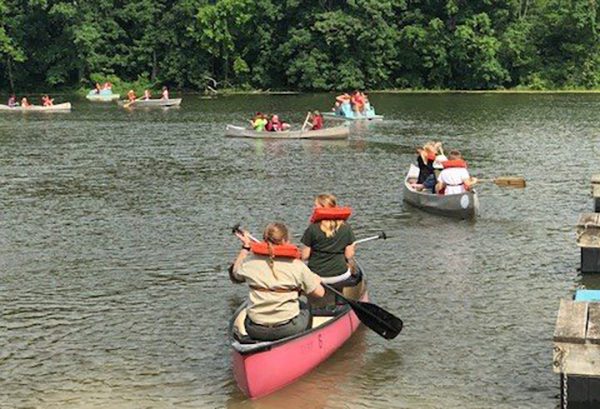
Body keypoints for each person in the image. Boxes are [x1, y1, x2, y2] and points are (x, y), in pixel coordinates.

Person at [230, 223, 325, 341]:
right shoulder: (297, 265)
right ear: (285, 241)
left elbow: (235, 274)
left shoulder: (250, 262)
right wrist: (315, 280)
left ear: (264, 240)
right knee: (305, 301)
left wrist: (246, 248)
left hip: (255, 330)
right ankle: (304, 343)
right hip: (287, 329)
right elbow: (320, 294)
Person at [301, 194, 356, 286]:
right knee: (353, 268)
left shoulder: (312, 228)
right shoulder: (346, 227)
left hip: (317, 275)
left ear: (322, 208)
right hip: (340, 275)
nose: (314, 209)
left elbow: (305, 256)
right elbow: (349, 255)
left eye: (316, 206)